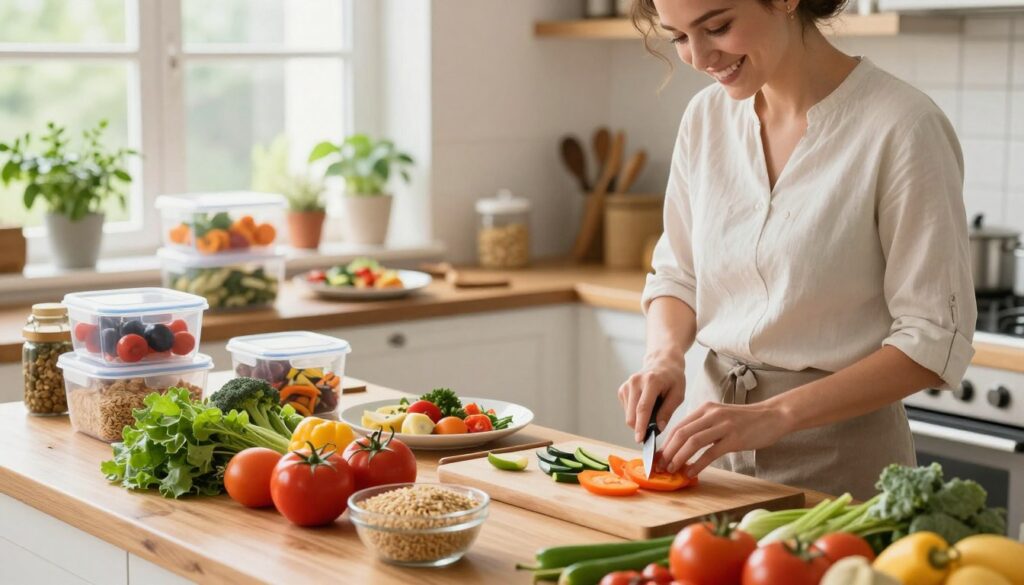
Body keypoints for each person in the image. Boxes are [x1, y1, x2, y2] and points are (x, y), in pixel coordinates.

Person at [618, 0, 976, 499]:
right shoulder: (705, 119)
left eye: (717, 26)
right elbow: (678, 275)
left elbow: (932, 340)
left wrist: (776, 414)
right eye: (678, 37)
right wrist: (664, 357)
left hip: (839, 468)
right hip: (707, 457)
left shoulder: (903, 125)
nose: (698, 57)